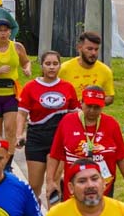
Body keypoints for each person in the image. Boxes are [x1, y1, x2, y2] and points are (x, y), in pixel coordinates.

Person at [45, 86, 124, 206]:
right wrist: (50, 181)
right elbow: (55, 155)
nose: (92, 111)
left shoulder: (111, 124)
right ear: (81, 103)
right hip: (74, 192)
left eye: (97, 107)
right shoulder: (67, 122)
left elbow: (122, 157)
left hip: (104, 190)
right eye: (89, 106)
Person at [16, 50, 79, 198]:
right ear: (42, 66)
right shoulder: (30, 87)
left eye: (55, 64)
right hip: (36, 139)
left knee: (53, 184)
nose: (52, 67)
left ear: (60, 66)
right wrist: (19, 134)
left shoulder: (68, 87)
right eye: (48, 64)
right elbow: (22, 114)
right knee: (34, 186)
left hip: (58, 141)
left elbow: (74, 115)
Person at [58, 31, 115, 105]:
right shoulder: (64, 69)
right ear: (79, 48)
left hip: (93, 115)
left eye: (96, 49)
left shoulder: (105, 71)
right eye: (90, 49)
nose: (93, 53)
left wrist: (93, 103)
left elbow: (110, 96)